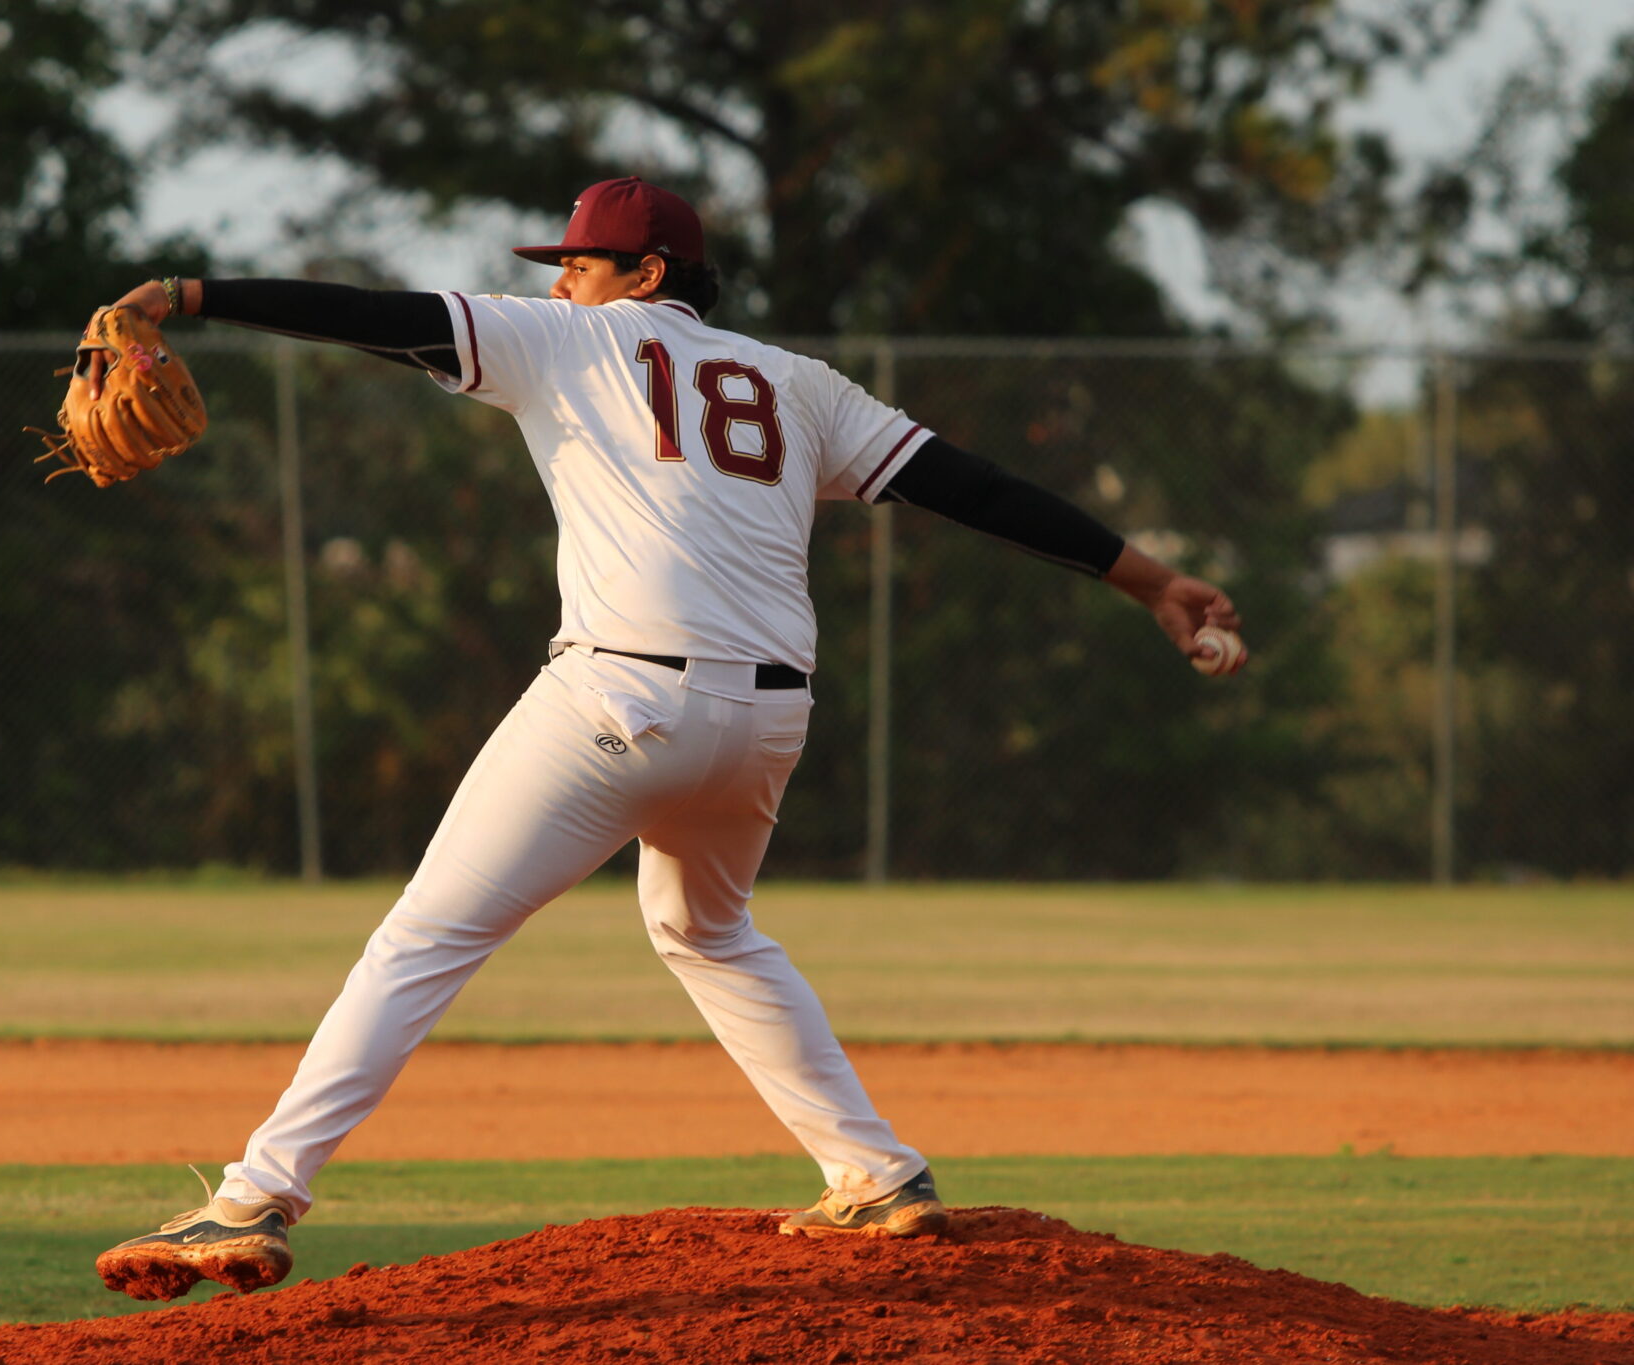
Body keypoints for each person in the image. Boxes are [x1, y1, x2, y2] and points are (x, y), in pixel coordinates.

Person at [90, 177, 1246, 1301]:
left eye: (581, 263)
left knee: (423, 938)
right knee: (705, 927)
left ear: (645, 273)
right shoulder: (801, 385)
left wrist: (189, 297)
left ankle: (251, 1199)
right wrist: (1148, 582)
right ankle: (875, 1174)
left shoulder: (566, 342)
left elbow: (380, 321)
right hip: (765, 720)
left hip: (618, 699)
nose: (565, 281)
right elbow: (976, 489)